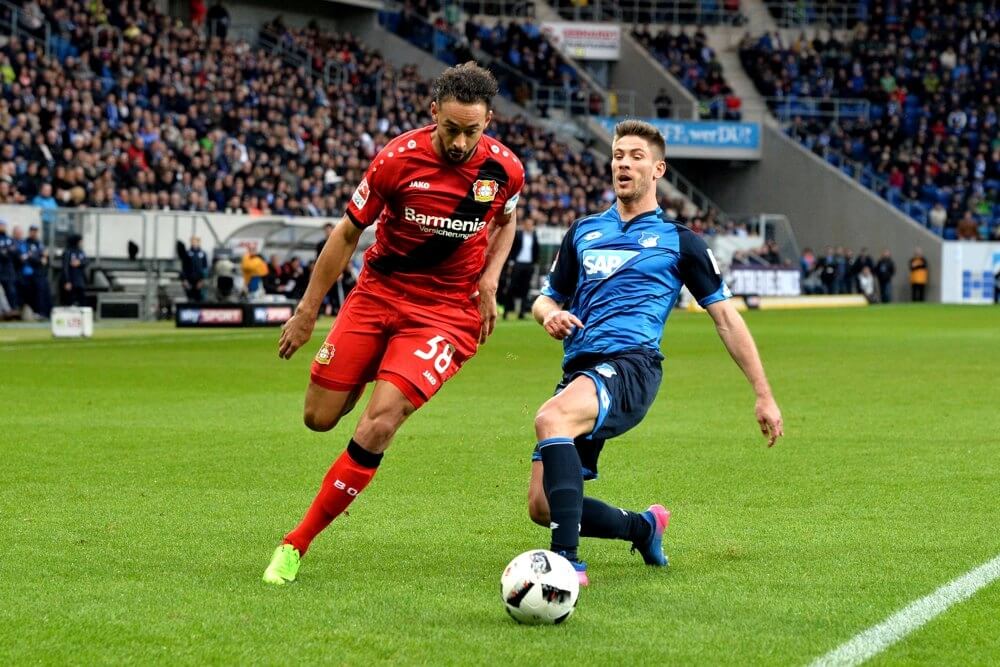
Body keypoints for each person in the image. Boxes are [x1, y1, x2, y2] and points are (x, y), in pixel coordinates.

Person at [263, 63, 525, 585]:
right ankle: (377, 366)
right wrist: (307, 311)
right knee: (318, 417)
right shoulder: (395, 161)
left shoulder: (505, 170)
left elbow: (507, 218)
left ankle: (295, 543)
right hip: (377, 294)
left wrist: (490, 281)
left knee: (379, 422)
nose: (459, 141)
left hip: (446, 314)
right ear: (433, 114)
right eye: (451, 128)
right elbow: (345, 234)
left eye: (472, 131)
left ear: (488, 122)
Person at [525, 120, 783, 586]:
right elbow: (546, 298)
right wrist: (548, 315)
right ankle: (643, 527)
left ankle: (564, 565)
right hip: (580, 370)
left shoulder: (680, 241)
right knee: (544, 506)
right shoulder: (583, 232)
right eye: (618, 154)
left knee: (551, 419)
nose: (623, 162)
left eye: (635, 156)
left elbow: (726, 318)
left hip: (631, 366)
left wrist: (763, 394)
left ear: (658, 168)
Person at [502, 218, 539, 319]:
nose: (529, 226)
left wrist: (534, 264)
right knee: (512, 288)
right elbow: (512, 248)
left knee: (525, 289)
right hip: (517, 264)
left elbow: (536, 251)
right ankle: (506, 311)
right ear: (524, 225)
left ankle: (521, 313)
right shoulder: (518, 235)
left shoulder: (534, 236)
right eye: (527, 224)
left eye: (531, 224)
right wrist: (511, 263)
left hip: (528, 265)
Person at [60, 234, 87, 306]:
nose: (81, 243)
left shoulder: (81, 251)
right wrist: (67, 281)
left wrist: (80, 263)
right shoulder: (68, 252)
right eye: (80, 241)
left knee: (82, 299)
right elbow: (65, 267)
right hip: (71, 280)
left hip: (80, 280)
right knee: (70, 300)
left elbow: (86, 261)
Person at [181, 236, 209, 302]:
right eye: (192, 241)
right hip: (189, 280)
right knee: (190, 298)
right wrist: (184, 279)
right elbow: (184, 267)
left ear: (199, 242)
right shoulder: (187, 253)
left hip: (199, 280)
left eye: (196, 241)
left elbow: (205, 267)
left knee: (200, 298)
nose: (194, 243)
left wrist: (202, 280)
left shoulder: (202, 254)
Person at [0, 220, 19, 312]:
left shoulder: (9, 239)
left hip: (8, 270)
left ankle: (12, 310)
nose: (2, 227)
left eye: (3, 225)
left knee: (11, 290)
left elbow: (14, 250)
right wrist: (6, 251)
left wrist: (5, 251)